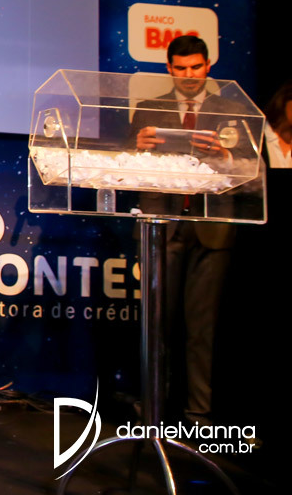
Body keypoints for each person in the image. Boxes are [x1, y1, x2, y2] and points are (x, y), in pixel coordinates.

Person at [130, 34, 236, 425]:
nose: (189, 75)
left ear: (208, 66)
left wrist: (225, 155)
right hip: (162, 226)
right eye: (181, 68)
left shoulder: (233, 109)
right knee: (157, 323)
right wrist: (137, 148)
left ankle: (198, 414)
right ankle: (154, 410)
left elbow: (251, 167)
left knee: (202, 328)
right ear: (169, 68)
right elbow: (126, 166)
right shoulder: (148, 109)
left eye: (196, 67)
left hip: (212, 227)